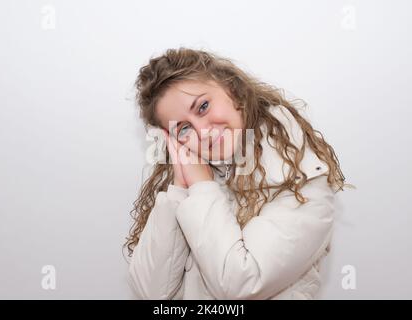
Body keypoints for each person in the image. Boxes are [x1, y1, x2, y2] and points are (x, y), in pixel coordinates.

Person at [123, 47, 353, 299]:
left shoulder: (301, 181)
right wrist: (179, 186)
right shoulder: (193, 181)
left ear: (231, 89)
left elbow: (240, 284)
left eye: (203, 107)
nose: (202, 131)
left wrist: (201, 186)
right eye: (184, 129)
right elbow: (152, 294)